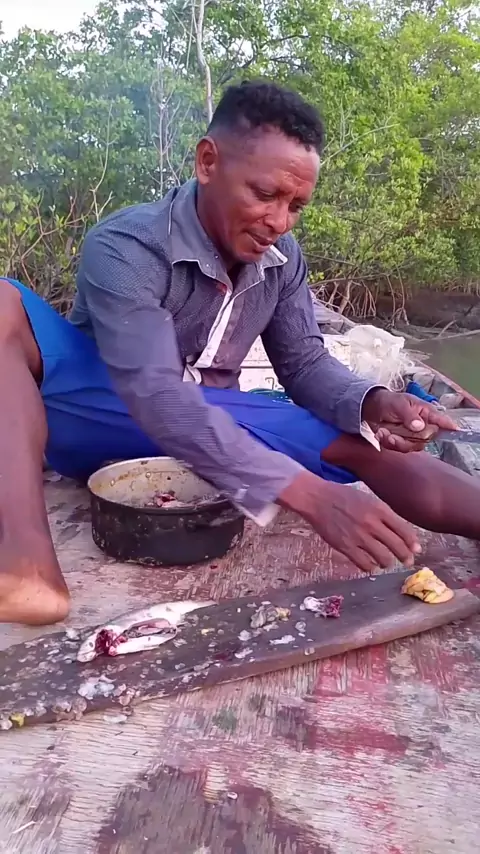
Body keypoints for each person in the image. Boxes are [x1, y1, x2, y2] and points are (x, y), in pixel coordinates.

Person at [1, 80, 478, 627]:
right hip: (95, 408)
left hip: (216, 422)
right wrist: (308, 494)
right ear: (208, 162)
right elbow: (153, 392)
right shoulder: (129, 245)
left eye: (296, 206)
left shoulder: (282, 259)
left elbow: (303, 363)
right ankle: (27, 569)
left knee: (363, 444)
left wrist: (371, 402)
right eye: (265, 194)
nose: (279, 221)